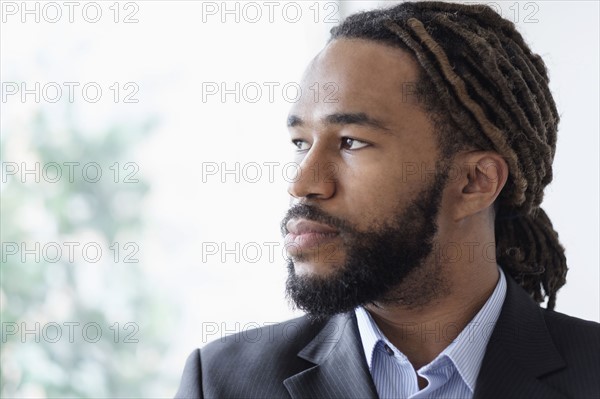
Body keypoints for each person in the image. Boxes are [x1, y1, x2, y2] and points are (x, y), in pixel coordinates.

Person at [175, 2, 599, 398]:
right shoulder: (220, 382)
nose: (303, 183)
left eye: (352, 142)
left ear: (475, 182)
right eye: (301, 142)